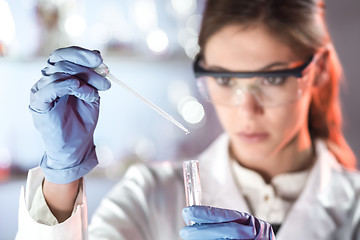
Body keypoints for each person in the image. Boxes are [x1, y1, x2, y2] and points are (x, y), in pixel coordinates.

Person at [16, 0, 360, 239]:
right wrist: (61, 176)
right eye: (225, 80)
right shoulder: (149, 195)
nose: (246, 109)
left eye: (271, 79)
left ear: (316, 73)